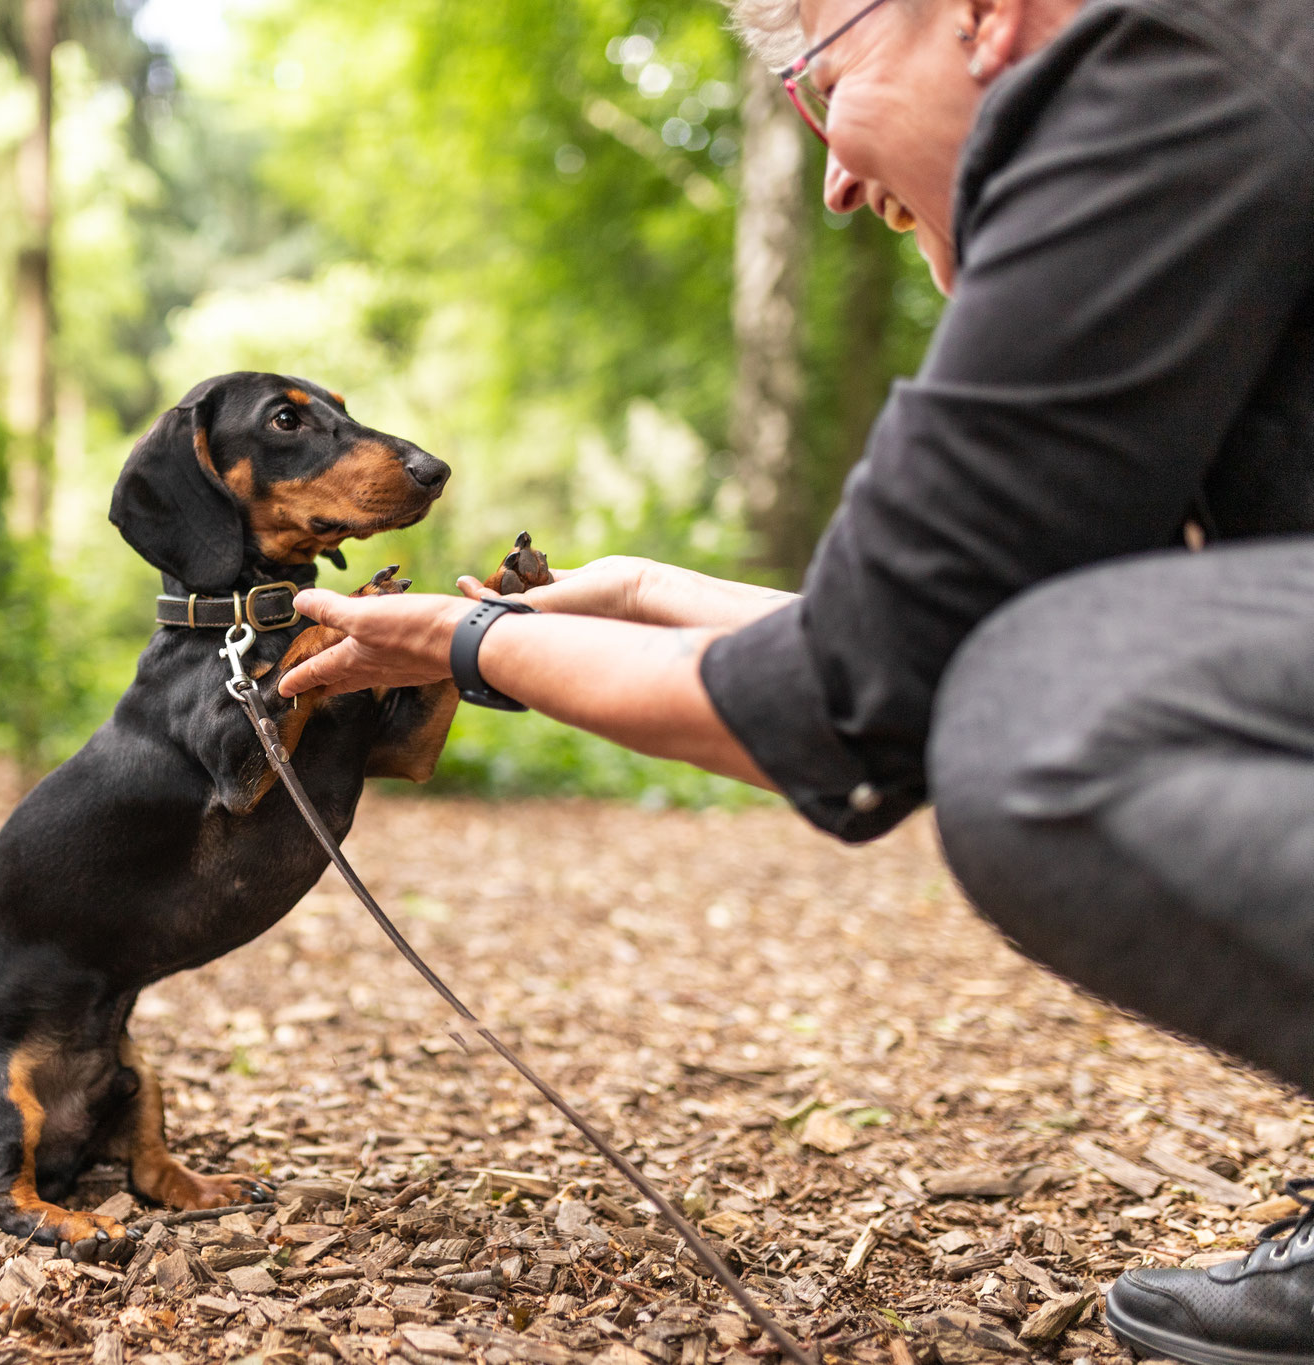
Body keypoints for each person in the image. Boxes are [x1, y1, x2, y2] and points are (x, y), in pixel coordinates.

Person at [276, 0, 1314, 1360]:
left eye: (821, 86)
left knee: (1040, 727)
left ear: (987, 14)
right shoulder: (1229, 99)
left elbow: (870, 695)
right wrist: (642, 591)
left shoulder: (1160, 88)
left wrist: (457, 644)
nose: (828, 174)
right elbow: (935, 622)